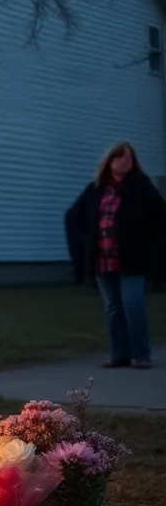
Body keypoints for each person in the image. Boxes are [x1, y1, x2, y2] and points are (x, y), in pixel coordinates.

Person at [67, 141, 166, 370]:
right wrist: (86, 243)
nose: (125, 161)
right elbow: (74, 216)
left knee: (133, 304)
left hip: (132, 259)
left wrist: (149, 246)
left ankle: (141, 355)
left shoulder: (141, 186)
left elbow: (160, 218)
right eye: (120, 157)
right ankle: (119, 355)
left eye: (129, 157)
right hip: (103, 260)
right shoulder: (96, 189)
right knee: (113, 308)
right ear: (110, 162)